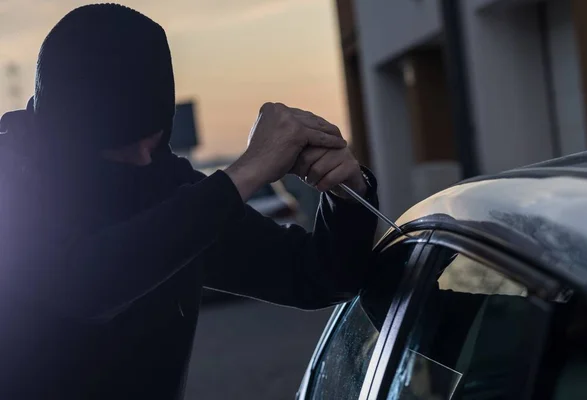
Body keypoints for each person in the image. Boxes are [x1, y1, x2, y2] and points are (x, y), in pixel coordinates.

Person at [0, 4, 379, 400]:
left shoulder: (161, 183)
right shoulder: (11, 187)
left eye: (154, 139)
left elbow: (314, 277)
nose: (145, 159)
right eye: (125, 145)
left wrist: (346, 192)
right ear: (70, 131)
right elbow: (81, 285)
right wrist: (247, 170)